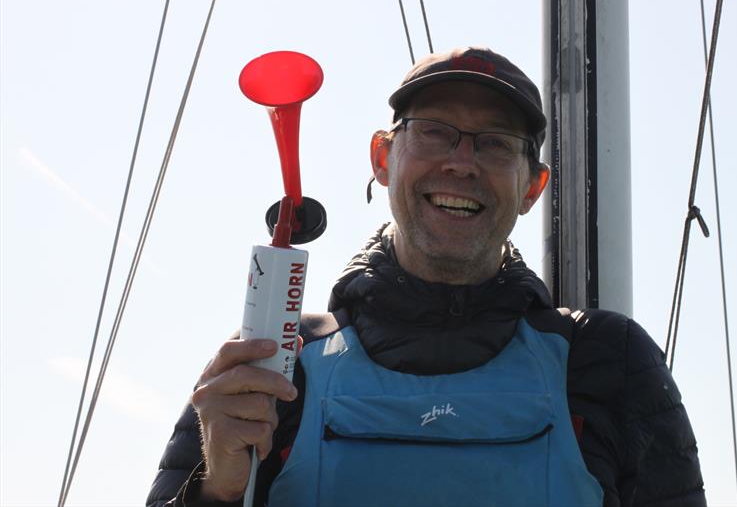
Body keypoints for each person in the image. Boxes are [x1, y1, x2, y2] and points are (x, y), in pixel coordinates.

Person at [147, 47, 706, 507]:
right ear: (383, 158)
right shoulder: (275, 361)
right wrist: (214, 491)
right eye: (436, 132)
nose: (462, 163)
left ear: (533, 187)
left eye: (495, 143)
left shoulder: (610, 361)